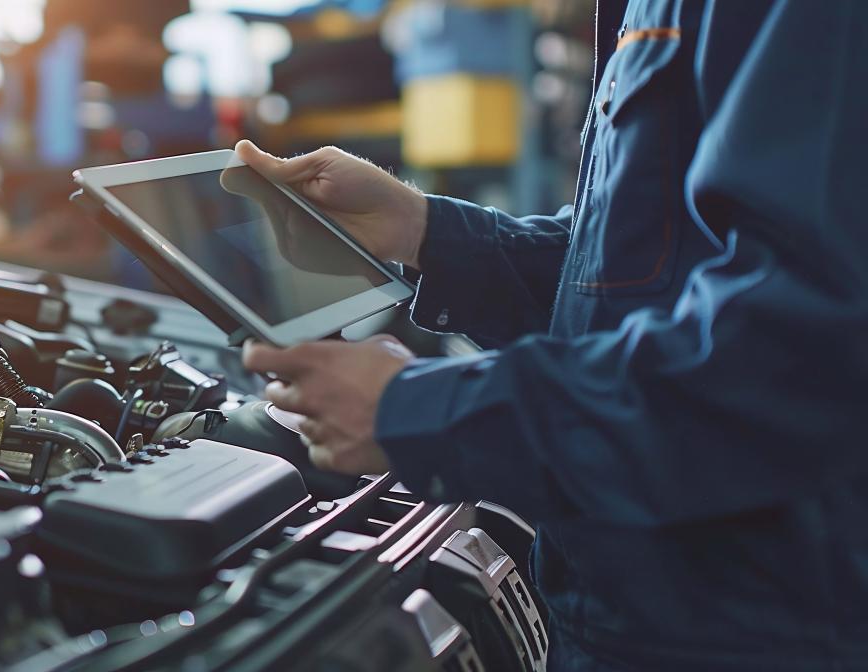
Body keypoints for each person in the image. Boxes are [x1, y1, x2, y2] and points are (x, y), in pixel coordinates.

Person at [238, 0, 868, 669]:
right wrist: (423, 229)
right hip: (636, 604)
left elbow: (793, 362)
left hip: (752, 630)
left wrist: (420, 412)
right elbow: (636, 278)